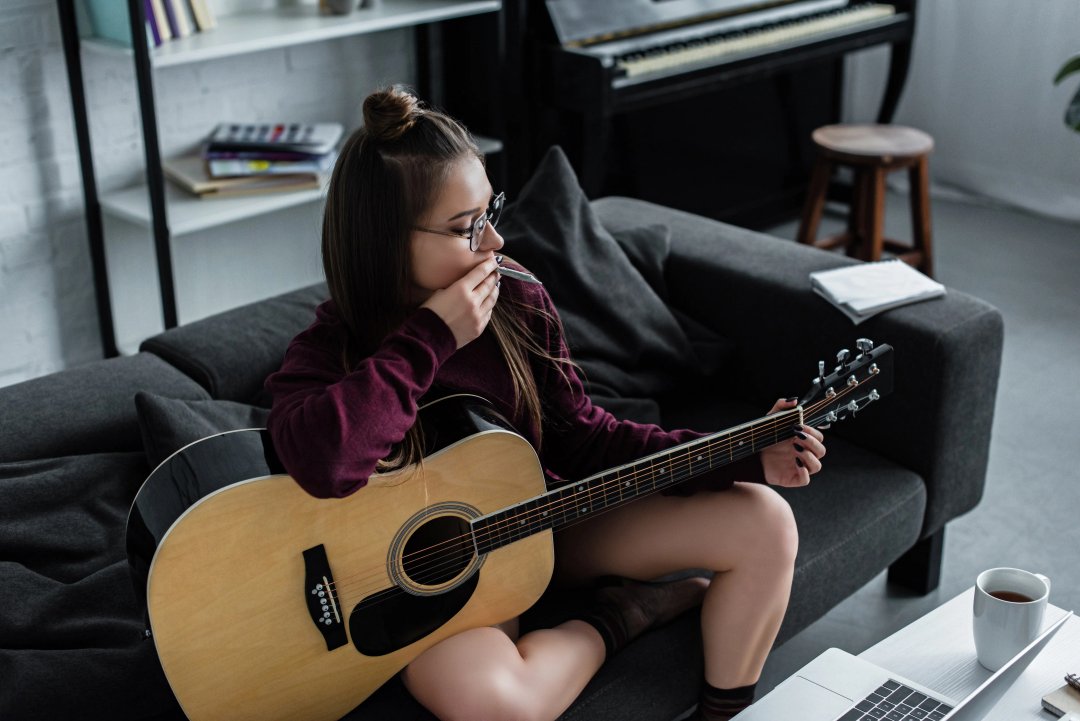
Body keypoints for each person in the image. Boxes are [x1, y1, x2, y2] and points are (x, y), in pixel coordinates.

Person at [265, 85, 827, 721]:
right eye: (465, 228)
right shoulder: (329, 349)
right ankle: (623, 612)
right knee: (497, 706)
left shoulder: (515, 301)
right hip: (438, 588)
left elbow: (588, 438)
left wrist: (748, 453)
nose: (494, 243)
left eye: (489, 212)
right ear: (385, 240)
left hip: (549, 528)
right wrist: (431, 338)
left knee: (766, 521)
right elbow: (326, 462)